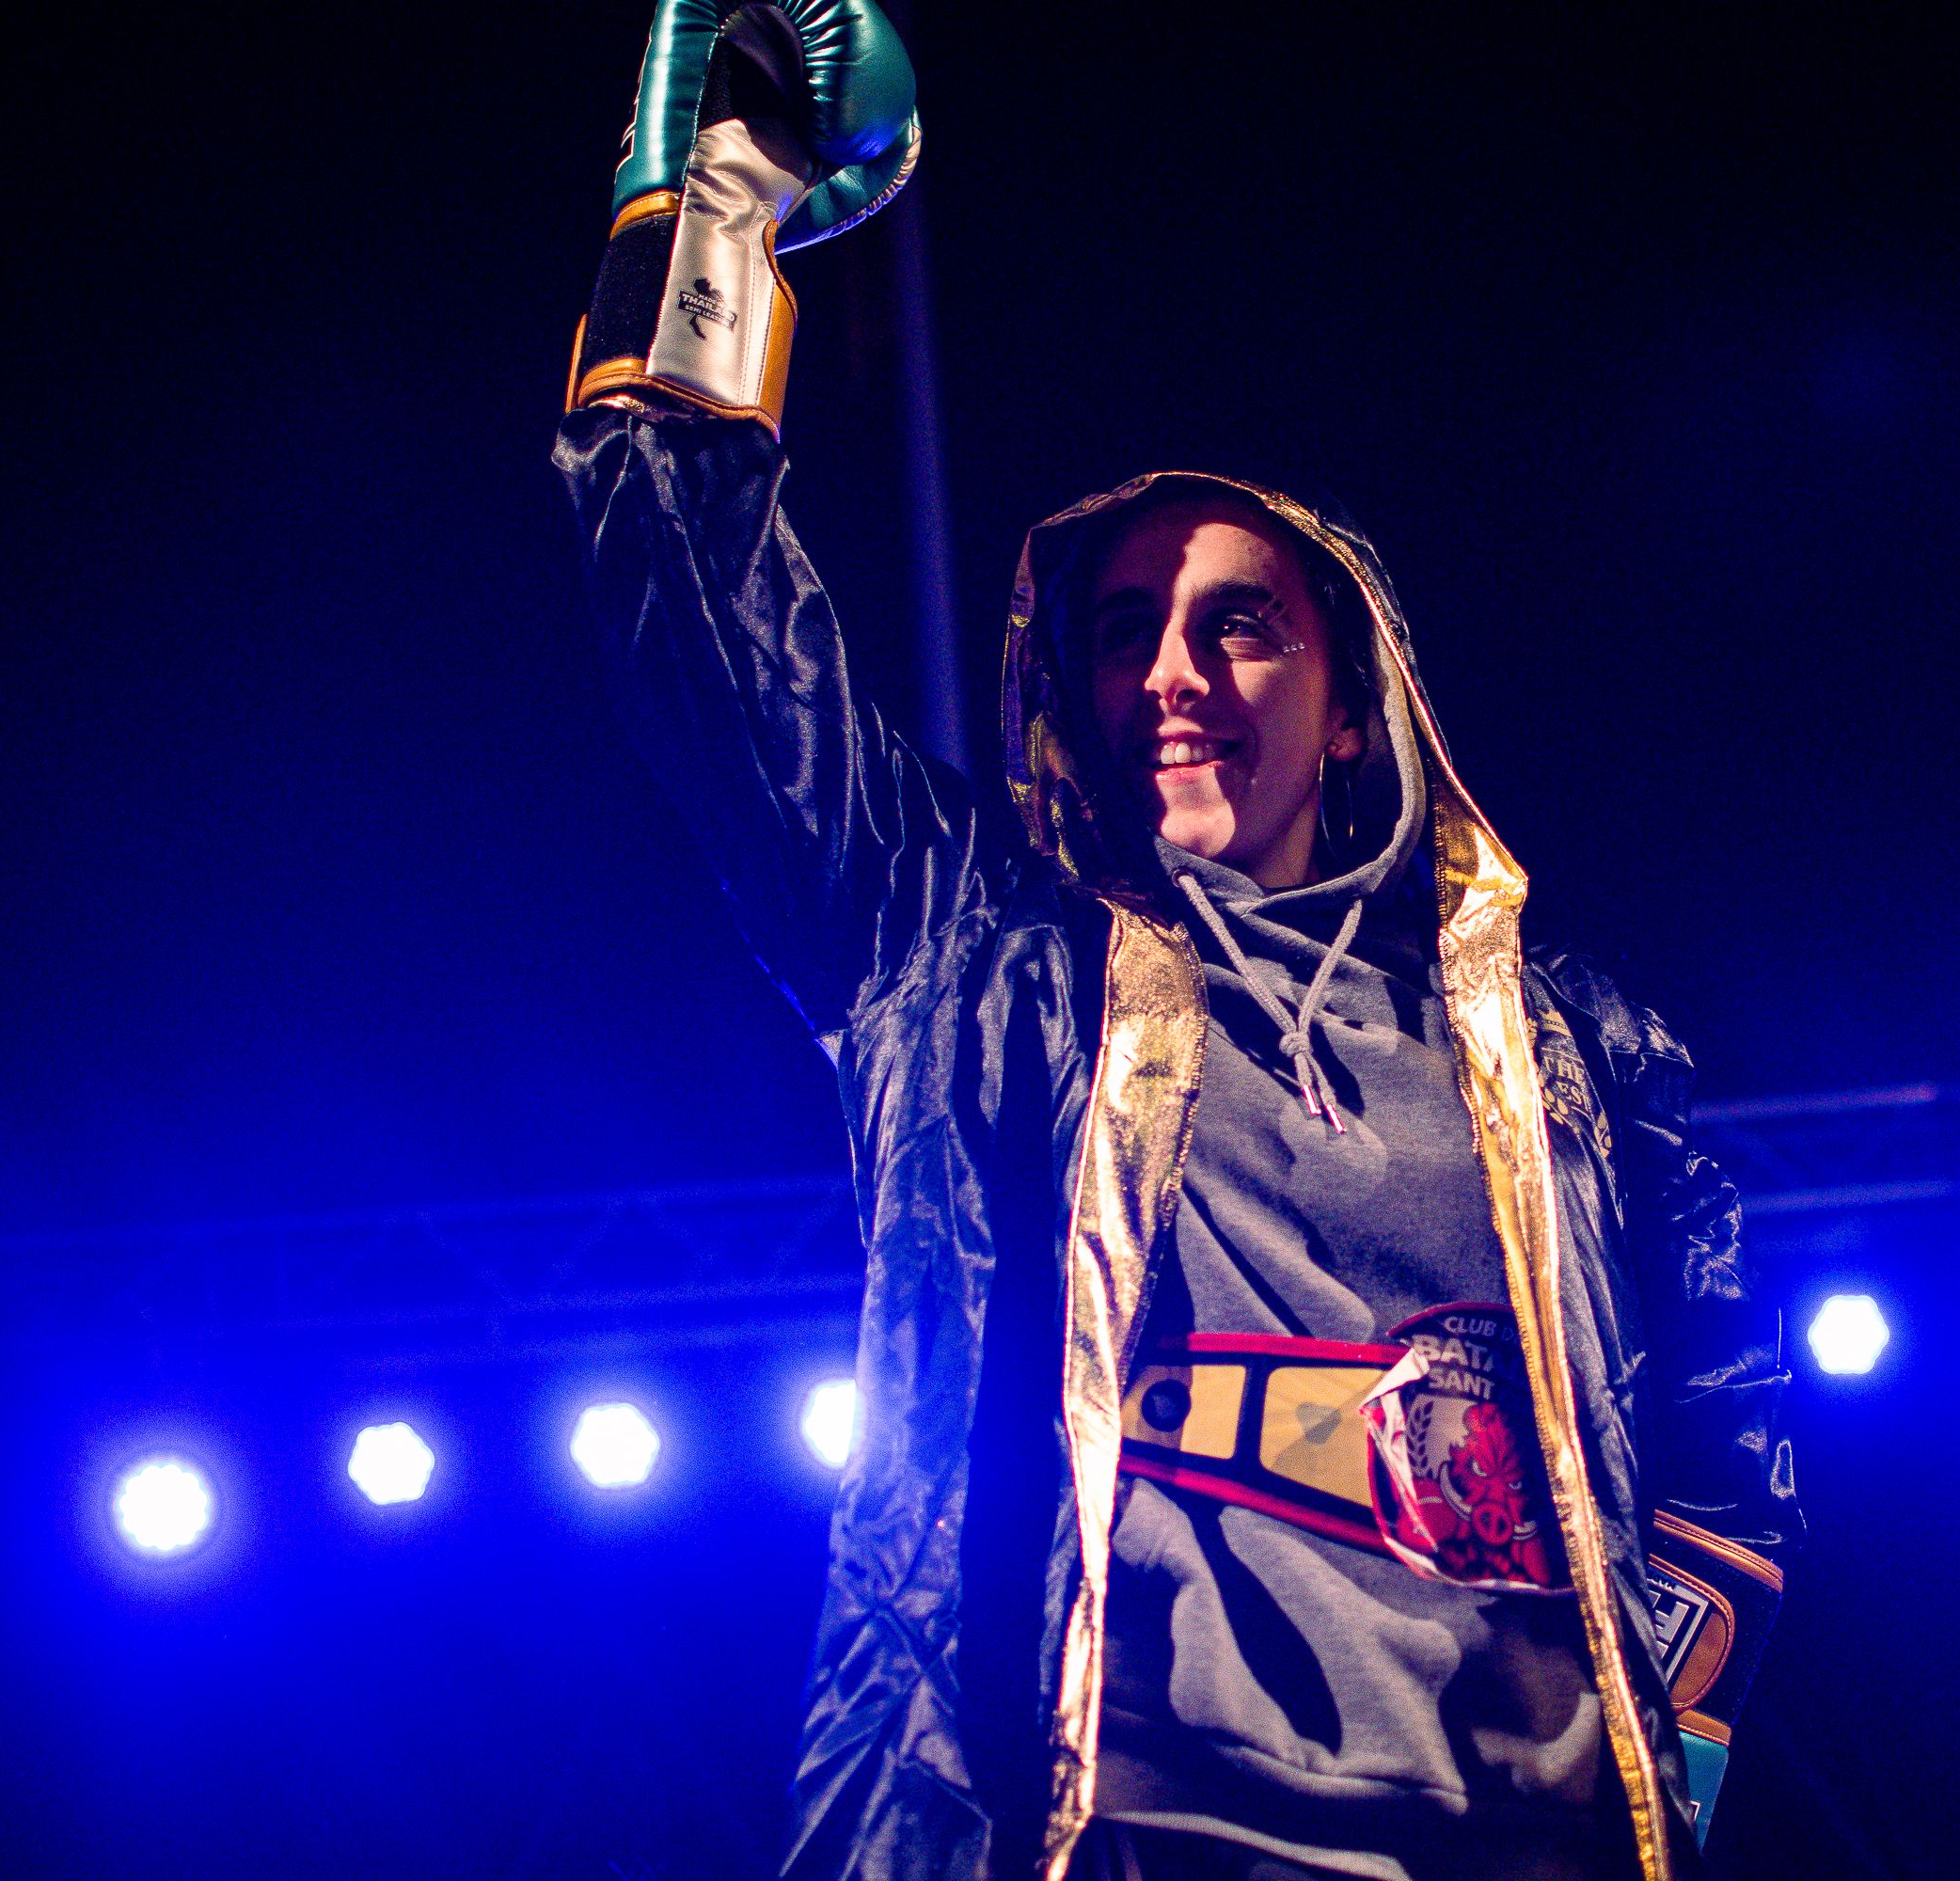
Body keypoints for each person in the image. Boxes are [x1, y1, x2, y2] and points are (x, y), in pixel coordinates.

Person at [552, 6, 1798, 1878]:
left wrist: (1656, 1784)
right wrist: (715, 203)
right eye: (1125, 627)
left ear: (1356, 702)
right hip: (1097, 1836)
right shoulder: (971, 957)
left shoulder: (1573, 1048)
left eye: (1238, 624)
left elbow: (1725, 1439)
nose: (1170, 674)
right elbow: (694, 599)